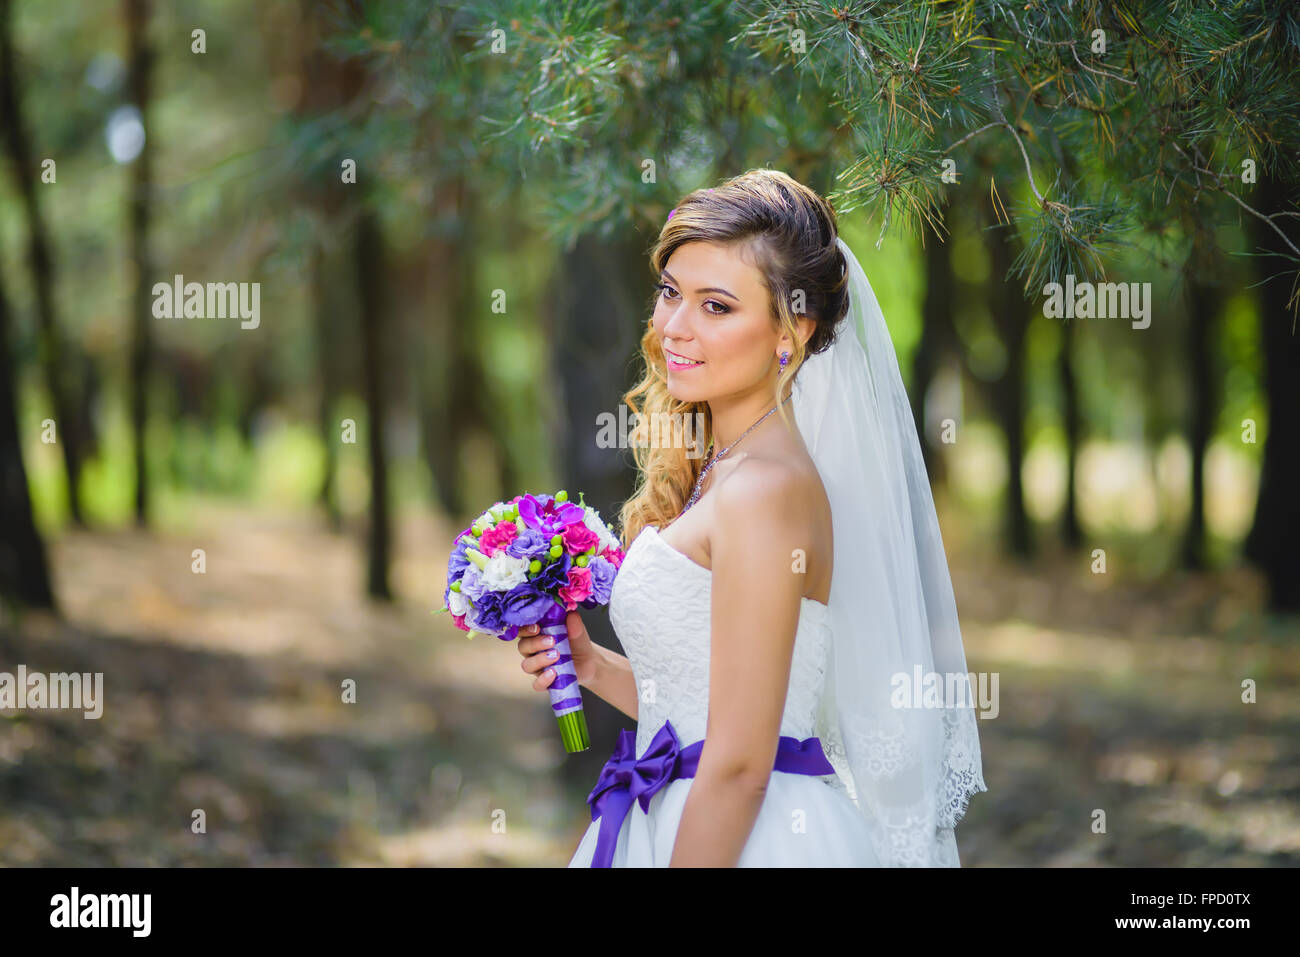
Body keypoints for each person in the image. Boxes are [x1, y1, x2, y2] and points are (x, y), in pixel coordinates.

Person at [518, 169, 987, 866]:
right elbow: (700, 705)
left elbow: (740, 765)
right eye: (670, 293)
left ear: (790, 330)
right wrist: (590, 664)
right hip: (682, 811)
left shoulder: (766, 491)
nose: (675, 326)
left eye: (716, 307)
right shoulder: (724, 470)